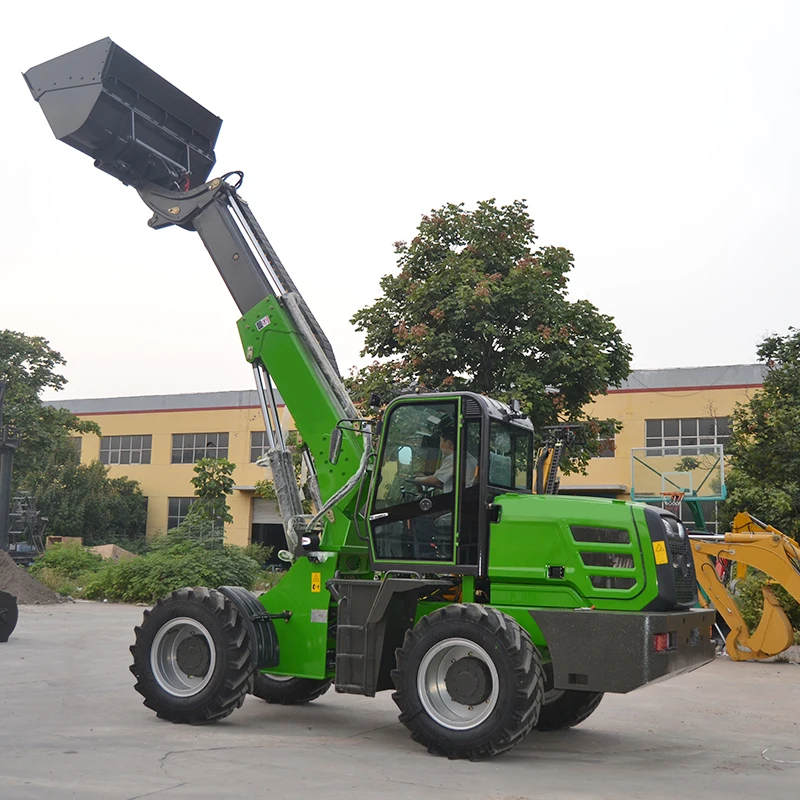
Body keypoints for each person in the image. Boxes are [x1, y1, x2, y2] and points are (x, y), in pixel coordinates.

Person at [413, 425, 477, 494]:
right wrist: (424, 478)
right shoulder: (469, 457)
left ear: (449, 443)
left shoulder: (454, 459)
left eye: (441, 441)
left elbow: (436, 480)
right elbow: (442, 480)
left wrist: (417, 480)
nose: (440, 445)